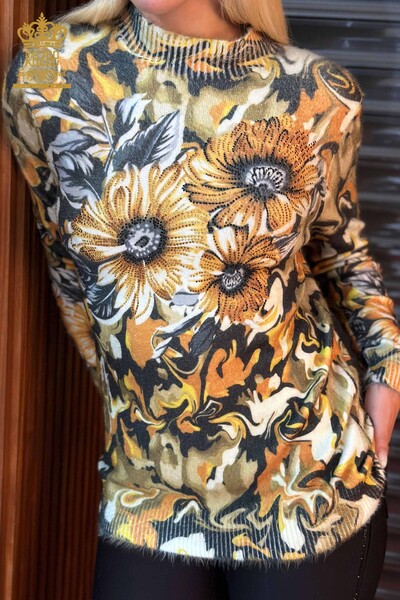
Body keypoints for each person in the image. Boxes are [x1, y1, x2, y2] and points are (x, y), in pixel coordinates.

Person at [2, 1, 399, 598]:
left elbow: (342, 253)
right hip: (147, 488)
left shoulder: (320, 91)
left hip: (308, 483)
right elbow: (65, 257)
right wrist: (138, 413)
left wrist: (389, 368)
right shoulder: (45, 64)